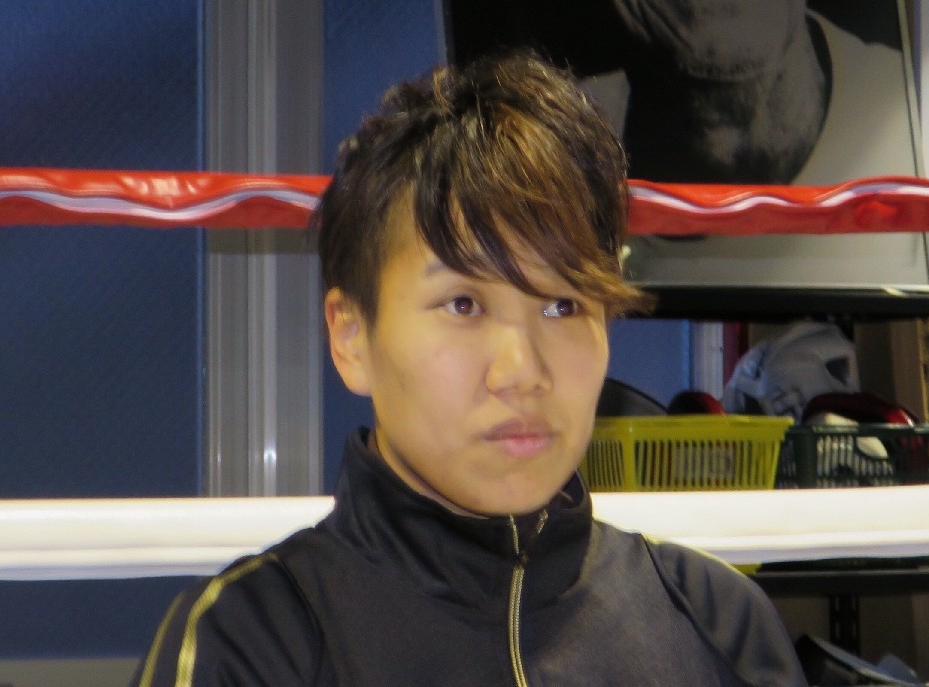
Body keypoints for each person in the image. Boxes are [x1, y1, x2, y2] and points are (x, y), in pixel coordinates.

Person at [132, 51, 806, 686]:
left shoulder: (716, 622)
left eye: (564, 305)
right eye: (463, 304)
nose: (521, 371)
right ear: (351, 337)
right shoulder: (253, 643)